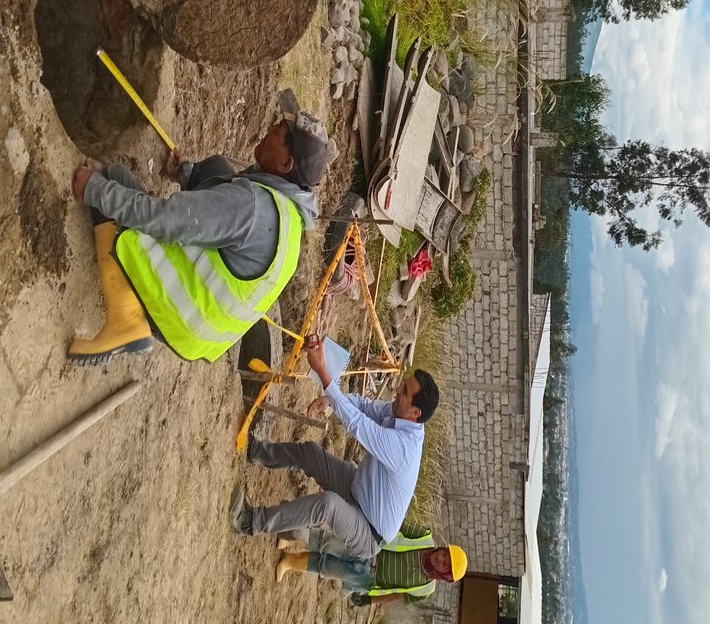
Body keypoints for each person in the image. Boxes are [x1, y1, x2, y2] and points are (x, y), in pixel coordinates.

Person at [67, 102, 330, 366]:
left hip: (177, 311)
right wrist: (189, 175)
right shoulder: (290, 221)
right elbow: (223, 206)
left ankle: (125, 322)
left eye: (278, 130)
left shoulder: (250, 207)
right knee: (216, 167)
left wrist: (95, 189)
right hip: (200, 333)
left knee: (113, 182)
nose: (271, 127)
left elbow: (165, 220)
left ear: (285, 163)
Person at [230, 338, 440, 560]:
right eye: (403, 384)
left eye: (404, 391)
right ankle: (256, 451)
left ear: (415, 413)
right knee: (310, 454)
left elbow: (358, 424)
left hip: (369, 532)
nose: (397, 390)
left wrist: (322, 370)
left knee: (327, 505)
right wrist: (330, 401)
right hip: (359, 488)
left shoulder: (403, 448)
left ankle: (250, 522)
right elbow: (364, 406)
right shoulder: (399, 414)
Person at [274, 524, 468, 607]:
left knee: (326, 567)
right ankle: (290, 539)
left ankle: (289, 561)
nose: (440, 558)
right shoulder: (424, 537)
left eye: (445, 564)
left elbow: (397, 595)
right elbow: (396, 524)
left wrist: (369, 601)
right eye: (444, 554)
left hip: (367, 578)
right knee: (327, 541)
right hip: (369, 548)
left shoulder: (426, 589)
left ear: (444, 576)